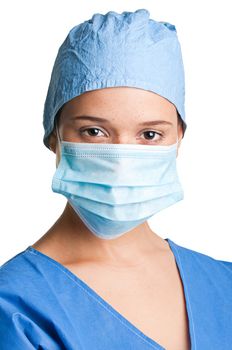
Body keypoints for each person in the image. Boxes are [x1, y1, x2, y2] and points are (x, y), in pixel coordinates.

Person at [0, 8, 232, 350]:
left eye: (150, 135)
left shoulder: (224, 284)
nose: (121, 162)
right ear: (54, 137)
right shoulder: (18, 308)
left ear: (179, 139)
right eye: (94, 131)